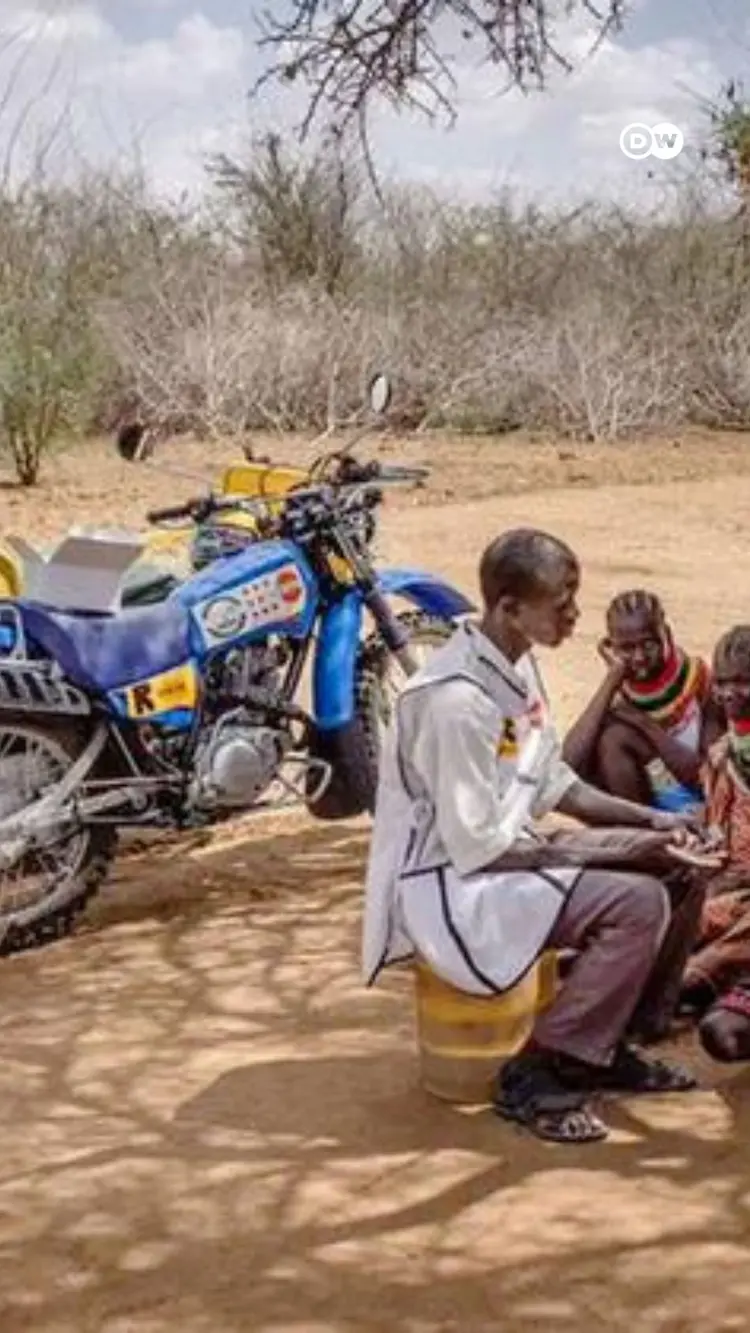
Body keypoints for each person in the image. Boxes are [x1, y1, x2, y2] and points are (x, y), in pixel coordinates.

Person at [362, 529, 707, 1145]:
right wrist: (624, 848)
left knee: (680, 864)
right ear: (510, 607)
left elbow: (555, 783)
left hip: (503, 857)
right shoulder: (455, 702)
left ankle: (608, 1043)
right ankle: (541, 1073)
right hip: (453, 888)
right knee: (636, 902)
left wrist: (654, 822)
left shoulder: (516, 670)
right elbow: (480, 849)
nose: (575, 614)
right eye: (561, 601)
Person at [562, 590, 722, 816]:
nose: (639, 657)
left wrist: (641, 722)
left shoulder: (699, 682)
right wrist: (611, 681)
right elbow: (568, 766)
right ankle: (639, 828)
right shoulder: (619, 691)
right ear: (611, 647)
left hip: (699, 804)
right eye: (627, 648)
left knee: (616, 733)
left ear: (666, 635)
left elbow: (706, 776)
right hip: (646, 808)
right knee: (612, 738)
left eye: (649, 645)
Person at [674, 626, 750, 1063]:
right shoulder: (724, 753)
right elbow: (719, 836)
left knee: (718, 1028)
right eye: (722, 681)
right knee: (672, 922)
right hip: (734, 892)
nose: (729, 693)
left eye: (743, 681)